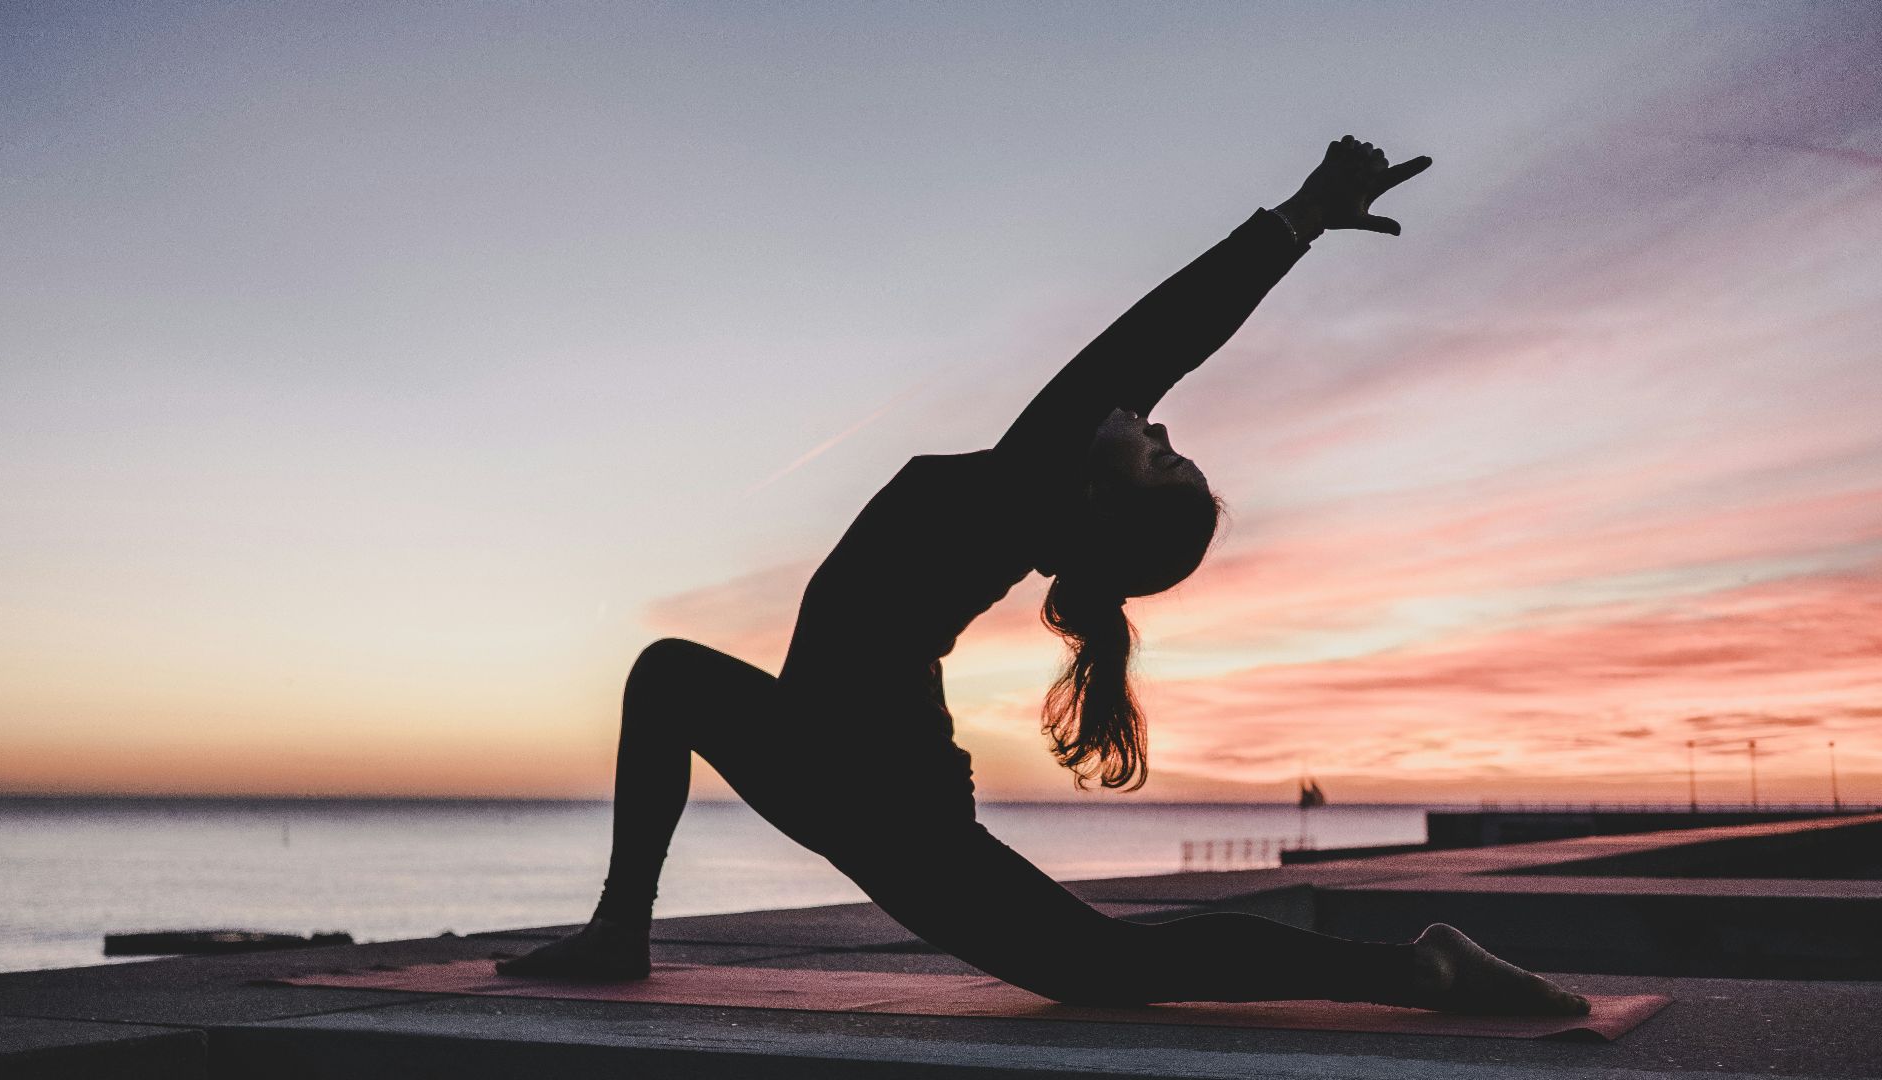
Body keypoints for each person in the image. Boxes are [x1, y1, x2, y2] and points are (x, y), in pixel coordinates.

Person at [499, 137, 1589, 1015]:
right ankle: (620, 929)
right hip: (826, 757)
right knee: (668, 675)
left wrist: (1299, 218)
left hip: (879, 793)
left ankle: (1421, 969)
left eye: (1160, 456)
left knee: (1104, 970)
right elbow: (1151, 359)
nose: (1157, 425)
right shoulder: (1028, 497)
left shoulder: (1029, 484)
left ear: (1101, 502)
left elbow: (1161, 336)